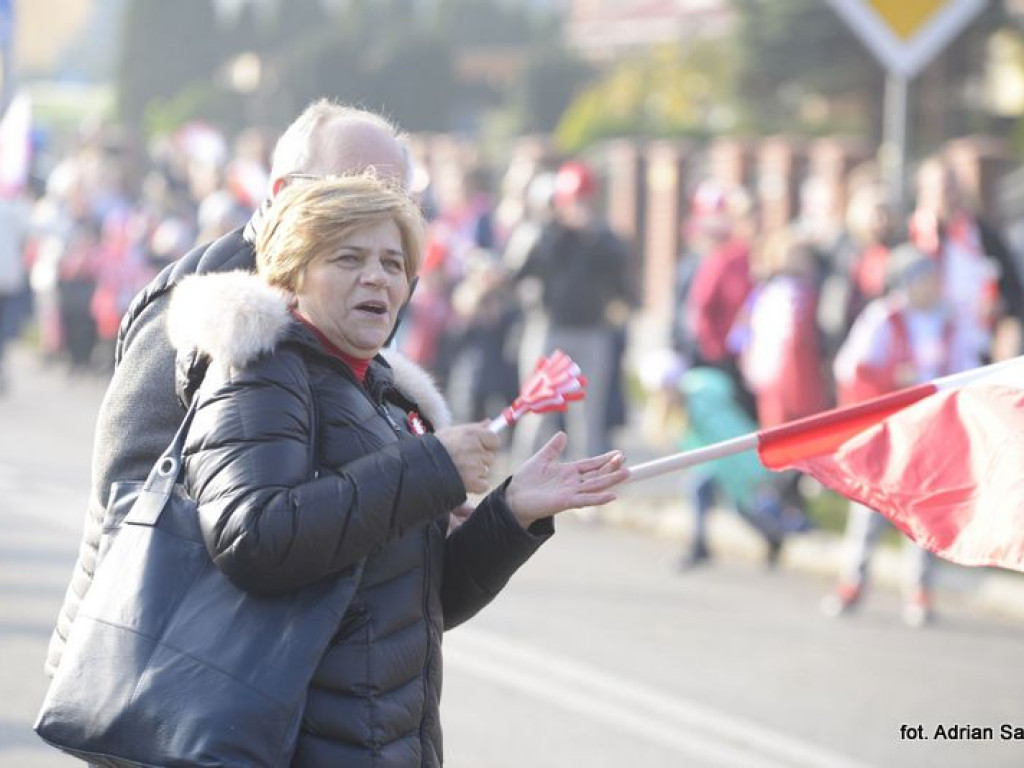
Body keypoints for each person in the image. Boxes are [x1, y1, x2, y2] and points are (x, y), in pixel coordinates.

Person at [164, 174, 627, 765]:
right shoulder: (262, 373)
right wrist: (431, 466)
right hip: (293, 745)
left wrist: (511, 514)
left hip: (386, 743)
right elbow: (254, 538)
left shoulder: (381, 393)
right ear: (291, 273)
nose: (377, 277)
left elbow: (415, 604)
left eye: (393, 262)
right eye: (348, 258)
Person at [45, 100, 413, 676]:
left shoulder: (351, 298)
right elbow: (131, 491)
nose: (374, 211)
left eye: (396, 198)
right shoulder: (208, 302)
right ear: (286, 189)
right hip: (170, 674)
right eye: (349, 189)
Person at [820, 244, 975, 627]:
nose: (931, 286)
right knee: (870, 508)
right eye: (923, 279)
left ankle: (919, 590)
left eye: (933, 279)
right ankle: (853, 582)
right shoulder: (884, 318)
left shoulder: (949, 320)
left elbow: (965, 367)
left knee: (922, 511)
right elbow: (852, 369)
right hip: (887, 432)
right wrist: (893, 379)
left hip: (928, 431)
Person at [513, 160, 633, 460]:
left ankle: (583, 485)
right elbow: (519, 271)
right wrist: (554, 228)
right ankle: (518, 481)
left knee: (589, 417)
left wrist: (591, 236)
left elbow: (623, 282)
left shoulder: (603, 238)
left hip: (592, 331)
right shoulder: (546, 234)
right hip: (549, 329)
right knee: (537, 409)